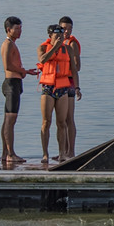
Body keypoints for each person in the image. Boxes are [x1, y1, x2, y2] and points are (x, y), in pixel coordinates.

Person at [37, 24, 80, 164]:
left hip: (63, 89)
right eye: (57, 35)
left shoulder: (68, 49)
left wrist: (77, 88)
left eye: (61, 35)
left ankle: (62, 153)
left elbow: (74, 70)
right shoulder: (43, 47)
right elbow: (42, 60)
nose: (60, 38)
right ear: (50, 36)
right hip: (48, 88)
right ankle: (45, 154)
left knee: (62, 123)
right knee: (46, 122)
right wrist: (55, 47)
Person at [0, 16, 38, 163]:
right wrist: (23, 71)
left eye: (21, 28)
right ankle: (10, 153)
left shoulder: (12, 44)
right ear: (9, 30)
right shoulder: (8, 44)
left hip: (15, 82)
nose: (20, 31)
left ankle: (5, 152)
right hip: (11, 83)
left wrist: (26, 71)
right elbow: (7, 66)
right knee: (10, 120)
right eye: (17, 29)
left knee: (8, 120)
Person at [58, 16, 82, 158]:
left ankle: (71, 151)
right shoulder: (58, 43)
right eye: (64, 29)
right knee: (61, 118)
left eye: (69, 29)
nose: (66, 31)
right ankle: (63, 150)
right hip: (59, 81)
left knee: (69, 117)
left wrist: (77, 87)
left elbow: (77, 67)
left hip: (69, 81)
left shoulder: (71, 44)